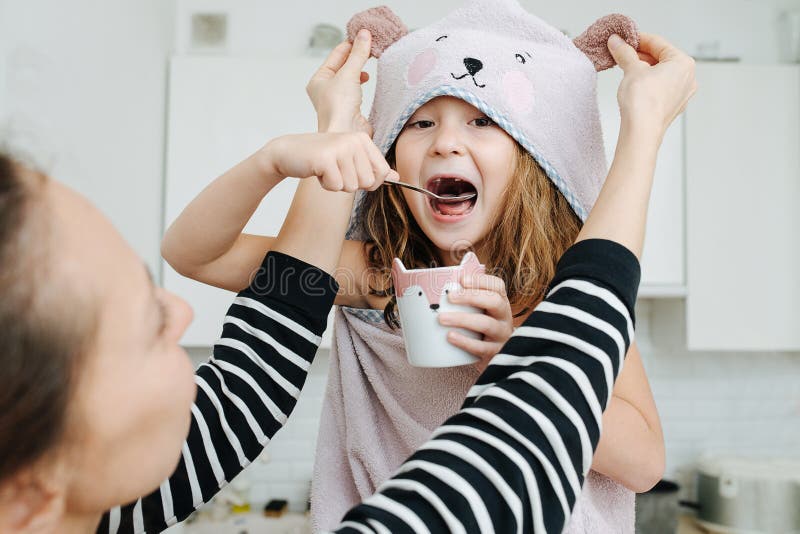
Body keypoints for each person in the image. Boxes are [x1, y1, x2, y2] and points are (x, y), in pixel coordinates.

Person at [0, 23, 694, 534]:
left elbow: (642, 459)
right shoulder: (378, 276)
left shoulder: (546, 288)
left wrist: (512, 345)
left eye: (483, 122)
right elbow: (197, 255)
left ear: (537, 163)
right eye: (420, 122)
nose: (446, 141)